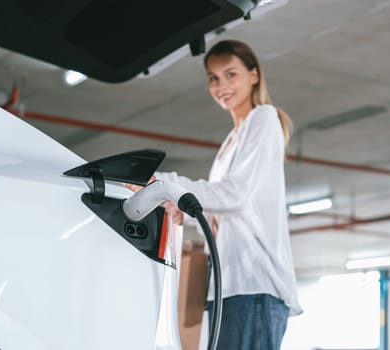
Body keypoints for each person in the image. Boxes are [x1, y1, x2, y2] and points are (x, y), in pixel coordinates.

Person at [127, 39, 302, 349]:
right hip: (230, 287)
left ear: (254, 75)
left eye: (230, 74)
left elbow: (235, 196)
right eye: (213, 78)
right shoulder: (229, 144)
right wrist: (187, 209)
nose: (222, 85)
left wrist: (166, 183)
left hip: (253, 286)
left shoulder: (263, 118)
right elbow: (225, 212)